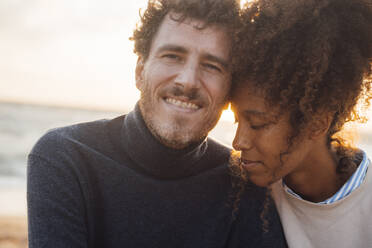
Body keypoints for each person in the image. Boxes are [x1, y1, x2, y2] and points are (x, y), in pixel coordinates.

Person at [27, 0, 287, 247]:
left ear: (229, 91)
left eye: (211, 66)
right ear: (140, 71)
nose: (188, 81)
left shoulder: (245, 186)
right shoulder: (66, 158)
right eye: (173, 56)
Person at [231, 0, 372, 247]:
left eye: (257, 124)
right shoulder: (245, 194)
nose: (238, 141)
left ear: (317, 123)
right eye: (236, 119)